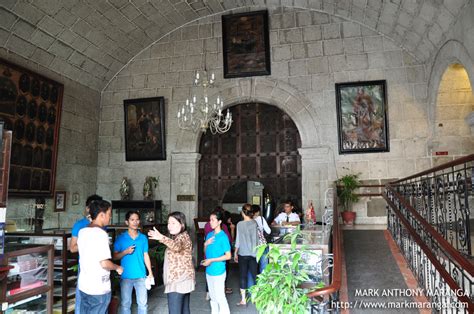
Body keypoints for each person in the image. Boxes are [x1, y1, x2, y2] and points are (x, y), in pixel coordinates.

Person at [77, 200, 123, 313]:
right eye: (109, 214)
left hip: (84, 285)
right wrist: (118, 267)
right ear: (101, 215)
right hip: (98, 288)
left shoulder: (82, 231)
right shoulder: (100, 234)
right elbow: (105, 263)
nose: (110, 217)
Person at [148, 212, 195, 314]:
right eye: (169, 223)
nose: (170, 226)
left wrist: (161, 237)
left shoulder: (182, 237)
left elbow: (177, 246)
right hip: (183, 280)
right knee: (184, 311)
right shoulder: (180, 236)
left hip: (178, 282)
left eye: (173, 223)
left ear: (182, 224)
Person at [113, 211, 153, 314]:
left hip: (141, 275)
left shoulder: (143, 238)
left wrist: (150, 273)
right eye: (132, 220)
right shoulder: (121, 238)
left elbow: (146, 255)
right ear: (127, 222)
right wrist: (126, 251)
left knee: (143, 304)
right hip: (126, 276)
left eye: (137, 219)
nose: (135, 222)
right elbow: (114, 256)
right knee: (126, 304)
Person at [70, 194, 103, 314]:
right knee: (82, 298)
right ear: (87, 208)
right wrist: (88, 243)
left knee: (100, 299)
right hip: (85, 267)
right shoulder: (79, 225)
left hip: (101, 266)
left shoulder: (102, 225)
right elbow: (72, 248)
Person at [202, 210, 231, 314]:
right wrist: (205, 244)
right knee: (213, 298)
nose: (210, 222)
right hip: (209, 270)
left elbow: (228, 256)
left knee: (220, 297)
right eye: (210, 220)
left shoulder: (223, 237)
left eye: (213, 220)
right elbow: (205, 252)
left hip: (218, 271)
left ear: (219, 222)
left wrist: (212, 260)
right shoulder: (209, 235)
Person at [234, 204, 258, 306]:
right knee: (255, 275)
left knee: (243, 276)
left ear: (243, 212)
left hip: (243, 253)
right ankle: (257, 298)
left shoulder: (239, 224)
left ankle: (243, 299)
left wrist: (235, 252)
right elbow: (256, 240)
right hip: (253, 253)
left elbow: (238, 240)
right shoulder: (254, 223)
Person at [252, 204, 271, 273]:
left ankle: (252, 282)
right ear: (258, 212)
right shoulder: (261, 219)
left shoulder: (248, 219)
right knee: (263, 265)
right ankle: (262, 282)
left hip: (251, 245)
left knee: (252, 266)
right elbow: (268, 231)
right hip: (261, 245)